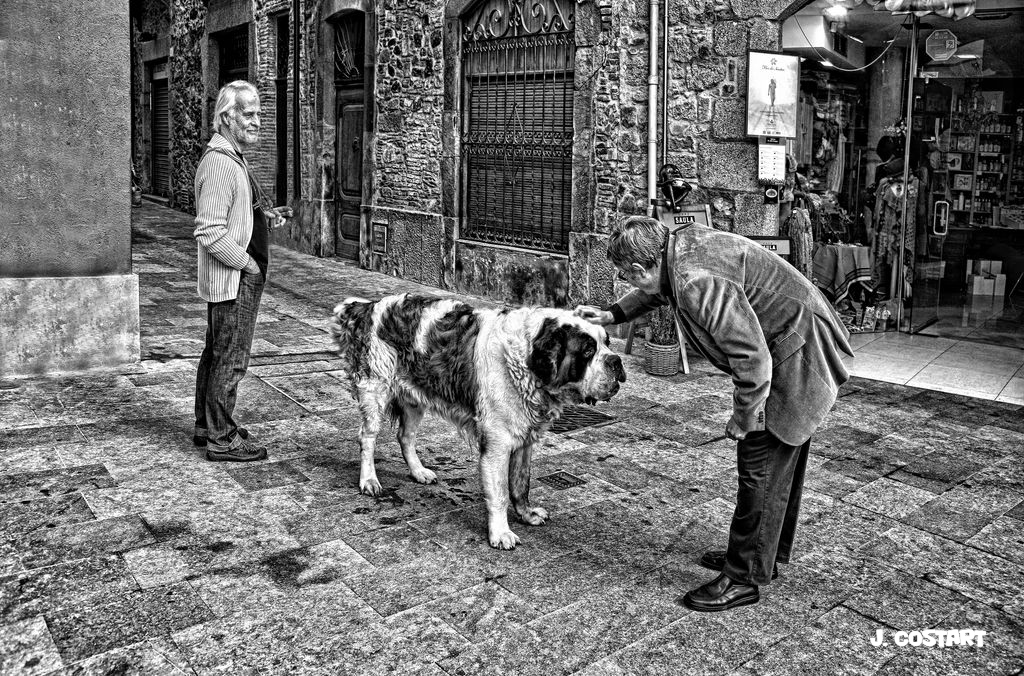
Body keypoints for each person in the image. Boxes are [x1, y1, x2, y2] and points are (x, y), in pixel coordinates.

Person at [576, 215, 853, 612]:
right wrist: (612, 314)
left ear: (642, 266)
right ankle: (761, 557)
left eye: (628, 276)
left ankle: (742, 579)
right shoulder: (676, 248)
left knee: (760, 461)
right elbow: (657, 290)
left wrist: (744, 417)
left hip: (795, 350)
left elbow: (752, 360)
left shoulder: (696, 280)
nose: (630, 283)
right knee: (777, 462)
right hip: (794, 336)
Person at [192, 80, 292, 462]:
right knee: (232, 357)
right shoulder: (220, 163)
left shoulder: (232, 157)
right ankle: (222, 438)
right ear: (226, 117)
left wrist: (262, 218)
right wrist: (248, 263)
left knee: (217, 351)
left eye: (259, 114)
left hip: (234, 277)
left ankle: (208, 425)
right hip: (235, 277)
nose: (257, 121)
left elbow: (232, 215)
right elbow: (209, 231)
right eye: (248, 113)